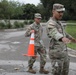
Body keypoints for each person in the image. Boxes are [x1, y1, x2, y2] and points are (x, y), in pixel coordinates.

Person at [46, 3, 76, 75]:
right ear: (53, 11)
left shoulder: (59, 23)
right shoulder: (51, 23)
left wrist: (72, 39)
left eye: (62, 12)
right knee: (57, 73)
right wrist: (62, 38)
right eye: (59, 12)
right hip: (56, 55)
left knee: (65, 72)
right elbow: (54, 32)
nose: (61, 14)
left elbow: (64, 33)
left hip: (64, 53)